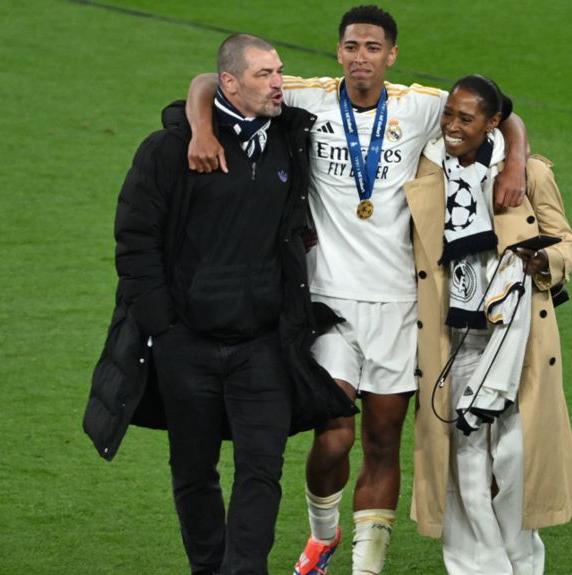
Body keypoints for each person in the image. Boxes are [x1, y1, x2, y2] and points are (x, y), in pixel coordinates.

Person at [185, 6, 530, 574]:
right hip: (327, 304)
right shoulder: (309, 98)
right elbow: (206, 81)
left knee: (382, 440)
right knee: (334, 436)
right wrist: (201, 129)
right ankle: (323, 538)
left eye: (373, 47)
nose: (361, 57)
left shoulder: (419, 105)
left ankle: (364, 570)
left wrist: (514, 163)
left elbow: (503, 111)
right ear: (338, 51)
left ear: (390, 55)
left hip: (399, 306)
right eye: (351, 46)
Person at [83, 33, 344, 575]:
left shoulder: (289, 139)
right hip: (188, 346)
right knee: (194, 472)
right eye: (265, 75)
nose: (279, 84)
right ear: (231, 83)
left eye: (280, 72)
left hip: (263, 346)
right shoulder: (169, 149)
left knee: (261, 470)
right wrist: (165, 329)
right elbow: (135, 241)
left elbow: (206, 83)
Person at [404, 74, 572, 574]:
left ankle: (521, 564)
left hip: (515, 338)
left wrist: (543, 263)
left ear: (492, 122)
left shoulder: (528, 175)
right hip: (449, 336)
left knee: (513, 460)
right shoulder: (425, 164)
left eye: (466, 118)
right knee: (460, 460)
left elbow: (567, 243)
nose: (453, 127)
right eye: (449, 115)